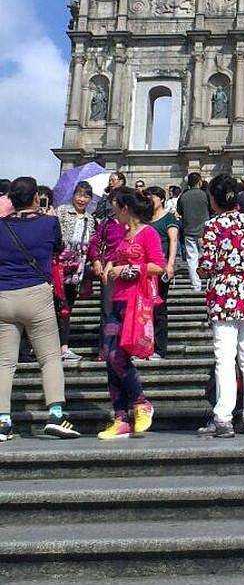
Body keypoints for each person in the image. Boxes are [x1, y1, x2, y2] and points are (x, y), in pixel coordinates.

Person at [0, 176, 80, 441]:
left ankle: (3, 421)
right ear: (36, 197)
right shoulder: (49, 223)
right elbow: (58, 248)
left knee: (4, 362)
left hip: (4, 296)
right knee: (49, 359)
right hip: (37, 294)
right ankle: (56, 415)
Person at [197, 174, 244, 436]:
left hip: (225, 292)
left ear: (213, 199)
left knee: (224, 358)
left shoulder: (213, 226)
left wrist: (203, 271)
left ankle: (223, 418)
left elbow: (207, 264)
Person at [98, 188, 165, 440]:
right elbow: (117, 260)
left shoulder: (148, 233)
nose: (113, 210)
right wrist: (109, 265)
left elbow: (157, 265)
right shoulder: (126, 234)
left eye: (115, 205)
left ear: (125, 208)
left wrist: (125, 271)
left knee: (117, 356)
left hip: (136, 302)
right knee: (111, 357)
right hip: (117, 301)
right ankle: (120, 417)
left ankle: (140, 403)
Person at [55, 181, 96, 365]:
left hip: (76, 270)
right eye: (79, 194)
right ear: (73, 195)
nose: (82, 199)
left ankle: (63, 347)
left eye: (86, 196)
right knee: (54, 306)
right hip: (58, 267)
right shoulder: (62, 211)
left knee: (67, 308)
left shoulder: (90, 219)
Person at [88, 194, 127, 359]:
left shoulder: (134, 224)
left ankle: (126, 347)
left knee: (126, 312)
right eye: (113, 200)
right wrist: (96, 260)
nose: (115, 204)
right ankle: (106, 347)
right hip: (109, 272)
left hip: (128, 271)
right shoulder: (106, 224)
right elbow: (94, 242)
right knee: (108, 312)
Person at [146, 186, 179, 362]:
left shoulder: (168, 218)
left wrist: (171, 264)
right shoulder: (144, 218)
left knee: (159, 308)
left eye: (152, 197)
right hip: (144, 269)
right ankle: (144, 345)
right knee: (143, 309)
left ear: (161, 199)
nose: (150, 200)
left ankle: (159, 348)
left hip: (160, 267)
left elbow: (173, 240)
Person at [177, 172, 210, 292]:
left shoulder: (183, 196)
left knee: (192, 259)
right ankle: (208, 283)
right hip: (204, 231)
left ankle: (196, 285)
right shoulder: (205, 195)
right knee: (205, 257)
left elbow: (179, 211)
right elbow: (211, 209)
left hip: (189, 230)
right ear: (199, 182)